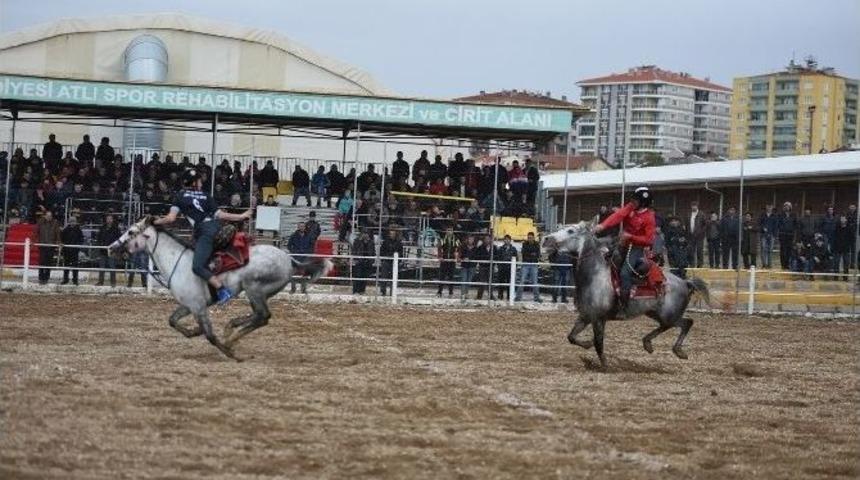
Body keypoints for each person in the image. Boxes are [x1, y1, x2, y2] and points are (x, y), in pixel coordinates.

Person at [153, 169, 253, 305]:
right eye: (199, 180)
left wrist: (155, 222)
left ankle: (223, 290)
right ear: (194, 182)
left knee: (197, 267)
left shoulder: (180, 196)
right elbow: (222, 215)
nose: (201, 183)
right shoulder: (206, 195)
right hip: (216, 227)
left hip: (205, 232)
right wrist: (241, 216)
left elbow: (171, 218)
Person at [593, 186, 656, 313]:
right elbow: (618, 215)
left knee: (624, 273)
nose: (632, 201)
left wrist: (631, 236)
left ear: (643, 202)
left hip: (637, 248)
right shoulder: (630, 207)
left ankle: (624, 305)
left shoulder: (649, 217)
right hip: (622, 243)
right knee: (604, 259)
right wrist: (602, 225)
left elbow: (649, 240)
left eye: (636, 200)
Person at [287, 222, 315, 294]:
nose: (301, 228)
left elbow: (312, 246)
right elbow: (289, 246)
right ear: (298, 227)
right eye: (300, 226)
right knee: (292, 273)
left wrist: (308, 253)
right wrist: (294, 252)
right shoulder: (293, 236)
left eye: (303, 226)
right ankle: (293, 289)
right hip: (295, 257)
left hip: (305, 257)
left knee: (304, 274)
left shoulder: (309, 236)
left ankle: (303, 289)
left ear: (305, 227)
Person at [515, 231, 542, 303]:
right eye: (529, 238)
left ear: (533, 238)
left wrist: (531, 254)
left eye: (531, 238)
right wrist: (532, 254)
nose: (530, 239)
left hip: (534, 264)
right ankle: (518, 297)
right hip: (526, 264)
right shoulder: (524, 244)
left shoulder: (537, 244)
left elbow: (538, 255)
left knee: (535, 282)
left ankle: (536, 298)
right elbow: (524, 254)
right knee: (522, 281)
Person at [96, 214, 121, 287]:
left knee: (112, 266)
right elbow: (98, 238)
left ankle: (113, 283)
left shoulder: (116, 229)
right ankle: (100, 282)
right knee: (101, 267)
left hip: (112, 250)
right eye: (108, 218)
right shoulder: (102, 228)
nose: (109, 220)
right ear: (106, 219)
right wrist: (100, 245)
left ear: (113, 220)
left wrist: (114, 247)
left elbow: (119, 239)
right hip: (103, 250)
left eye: (110, 218)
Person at [36, 210, 61, 285]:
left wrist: (59, 242)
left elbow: (57, 233)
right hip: (42, 245)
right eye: (48, 215)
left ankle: (46, 278)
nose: (49, 217)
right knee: (41, 262)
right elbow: (36, 232)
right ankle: (41, 278)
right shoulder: (40, 222)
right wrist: (34, 241)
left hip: (51, 246)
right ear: (45, 216)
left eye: (50, 216)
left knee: (49, 263)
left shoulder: (55, 223)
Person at [436, 226, 460, 297]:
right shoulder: (443, 239)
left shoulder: (456, 239)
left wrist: (457, 257)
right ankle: (439, 292)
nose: (449, 231)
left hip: (452, 260)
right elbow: (439, 248)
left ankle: (450, 292)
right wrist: (440, 257)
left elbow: (459, 249)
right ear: (446, 231)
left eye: (451, 230)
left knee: (451, 277)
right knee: (441, 277)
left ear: (453, 231)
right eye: (448, 230)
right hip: (444, 260)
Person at [59, 216, 84, 285]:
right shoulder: (65, 230)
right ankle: (65, 279)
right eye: (71, 221)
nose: (72, 223)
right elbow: (62, 239)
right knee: (66, 266)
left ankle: (75, 280)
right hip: (66, 251)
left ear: (76, 222)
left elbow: (81, 239)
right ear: (69, 222)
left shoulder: (78, 230)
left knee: (75, 266)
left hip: (75, 251)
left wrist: (77, 246)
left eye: (74, 221)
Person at [379, 228, 403, 296]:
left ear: (396, 235)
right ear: (389, 234)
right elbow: (382, 251)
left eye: (393, 234)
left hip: (394, 263)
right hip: (386, 261)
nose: (392, 235)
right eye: (391, 234)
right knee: (384, 277)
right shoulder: (385, 242)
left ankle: (393, 292)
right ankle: (383, 291)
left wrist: (398, 261)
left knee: (394, 278)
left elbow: (401, 253)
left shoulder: (399, 243)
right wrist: (383, 259)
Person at [547, 239, 572, 303]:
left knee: (565, 284)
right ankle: (554, 298)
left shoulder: (569, 249)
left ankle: (564, 298)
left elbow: (572, 258)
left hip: (566, 268)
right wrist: (553, 265)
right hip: (557, 268)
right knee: (556, 284)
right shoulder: (555, 250)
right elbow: (550, 257)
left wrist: (569, 266)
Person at [351, 230, 374, 294]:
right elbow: (354, 251)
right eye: (364, 233)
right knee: (357, 276)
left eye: (367, 233)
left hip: (367, 261)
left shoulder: (371, 242)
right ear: (362, 234)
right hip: (359, 260)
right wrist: (356, 259)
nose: (365, 235)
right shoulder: (357, 241)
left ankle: (362, 290)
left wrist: (371, 261)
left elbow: (373, 252)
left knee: (364, 277)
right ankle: (355, 290)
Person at [777, 202, 799, 270]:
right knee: (783, 250)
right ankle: (783, 265)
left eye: (788, 206)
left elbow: (796, 225)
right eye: (785, 206)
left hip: (790, 235)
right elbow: (778, 224)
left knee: (789, 250)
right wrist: (781, 229)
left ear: (790, 207)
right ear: (784, 207)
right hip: (782, 234)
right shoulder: (780, 215)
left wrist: (794, 232)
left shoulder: (793, 215)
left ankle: (787, 264)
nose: (787, 207)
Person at [495, 235, 517, 300]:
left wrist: (514, 267)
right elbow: (498, 258)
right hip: (502, 268)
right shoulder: (500, 248)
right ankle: (500, 295)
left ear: (510, 240)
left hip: (510, 268)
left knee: (509, 282)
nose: (507, 241)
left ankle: (509, 296)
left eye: (508, 239)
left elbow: (516, 258)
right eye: (505, 239)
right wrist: (499, 266)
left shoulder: (513, 249)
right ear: (503, 240)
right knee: (501, 282)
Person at [474, 234, 496, 300]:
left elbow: (496, 256)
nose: (487, 240)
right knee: (481, 282)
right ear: (484, 240)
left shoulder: (494, 247)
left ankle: (491, 296)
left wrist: (493, 262)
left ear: (490, 240)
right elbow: (477, 256)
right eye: (486, 239)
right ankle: (479, 296)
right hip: (482, 266)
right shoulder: (480, 247)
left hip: (490, 267)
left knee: (490, 282)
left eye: (488, 239)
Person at [759, 204, 778, 269]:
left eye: (770, 207)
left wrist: (774, 235)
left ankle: (769, 265)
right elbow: (759, 224)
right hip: (763, 235)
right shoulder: (762, 215)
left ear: (772, 207)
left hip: (771, 235)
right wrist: (763, 228)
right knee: (763, 249)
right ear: (766, 207)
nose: (769, 208)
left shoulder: (774, 216)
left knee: (770, 250)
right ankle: (764, 264)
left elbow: (776, 226)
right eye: (768, 206)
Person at [458, 235, 478, 300]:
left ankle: (466, 293)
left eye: (472, 239)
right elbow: (460, 255)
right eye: (469, 239)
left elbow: (477, 256)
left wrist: (470, 259)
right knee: (463, 280)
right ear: (467, 239)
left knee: (469, 281)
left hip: (472, 266)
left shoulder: (475, 248)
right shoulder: (463, 247)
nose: (471, 240)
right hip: (464, 266)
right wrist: (463, 258)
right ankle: (462, 294)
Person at [688, 201, 706, 268]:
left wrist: (701, 232)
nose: (693, 207)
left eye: (695, 205)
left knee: (699, 251)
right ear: (691, 206)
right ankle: (692, 264)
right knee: (691, 251)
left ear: (697, 206)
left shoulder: (701, 214)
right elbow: (687, 224)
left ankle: (700, 265)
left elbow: (705, 225)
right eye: (692, 205)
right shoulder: (689, 214)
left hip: (699, 236)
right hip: (690, 236)